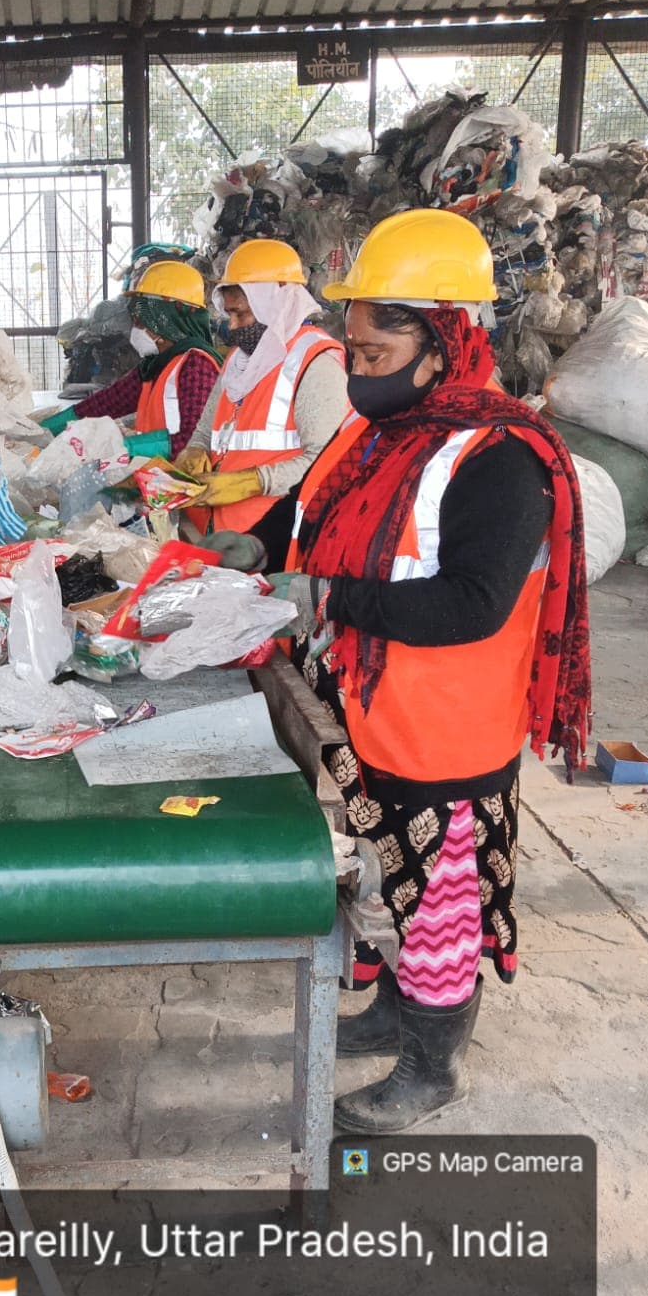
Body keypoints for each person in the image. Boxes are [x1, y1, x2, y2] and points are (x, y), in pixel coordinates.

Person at [254, 210, 591, 1133]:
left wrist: (329, 600)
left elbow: (474, 603)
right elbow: (306, 506)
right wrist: (245, 542)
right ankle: (399, 1011)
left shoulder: (500, 456)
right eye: (353, 350)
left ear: (443, 341)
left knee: (439, 900)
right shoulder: (384, 435)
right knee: (385, 877)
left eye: (376, 351)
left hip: (449, 730)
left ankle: (434, 1066)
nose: (358, 370)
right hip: (376, 713)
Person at [178, 239, 347, 562]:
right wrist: (194, 451)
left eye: (240, 314)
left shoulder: (315, 362)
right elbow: (205, 430)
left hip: (278, 549)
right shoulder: (238, 362)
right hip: (228, 544)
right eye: (228, 314)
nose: (232, 326)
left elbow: (328, 465)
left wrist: (255, 482)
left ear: (275, 303)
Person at [37, 260, 221, 460]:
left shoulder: (197, 366)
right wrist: (42, 431)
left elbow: (193, 442)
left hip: (183, 481)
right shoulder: (155, 365)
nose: (137, 329)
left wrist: (120, 447)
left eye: (143, 321)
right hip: (155, 478)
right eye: (136, 321)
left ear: (167, 316)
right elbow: (107, 403)